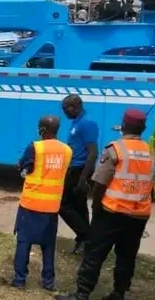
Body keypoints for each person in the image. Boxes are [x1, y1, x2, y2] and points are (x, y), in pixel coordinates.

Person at [56, 110, 155, 300]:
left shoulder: (115, 149)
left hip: (112, 212)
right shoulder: (150, 152)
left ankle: (82, 294)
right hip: (139, 215)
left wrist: (96, 209)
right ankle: (118, 293)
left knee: (94, 254)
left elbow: (100, 183)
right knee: (127, 256)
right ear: (143, 129)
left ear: (123, 126)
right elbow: (150, 185)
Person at [12, 115, 72, 291]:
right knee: (48, 245)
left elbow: (23, 166)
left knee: (24, 242)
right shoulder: (67, 150)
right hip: (52, 206)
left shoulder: (35, 147)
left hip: (31, 204)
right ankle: (48, 282)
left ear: (42, 129)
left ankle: (19, 280)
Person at [61, 94, 99, 255]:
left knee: (62, 205)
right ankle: (83, 241)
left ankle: (87, 236)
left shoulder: (87, 123)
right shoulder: (76, 122)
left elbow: (93, 152)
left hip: (79, 170)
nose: (64, 113)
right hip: (73, 168)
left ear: (74, 107)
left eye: (65, 109)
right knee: (80, 207)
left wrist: (83, 178)